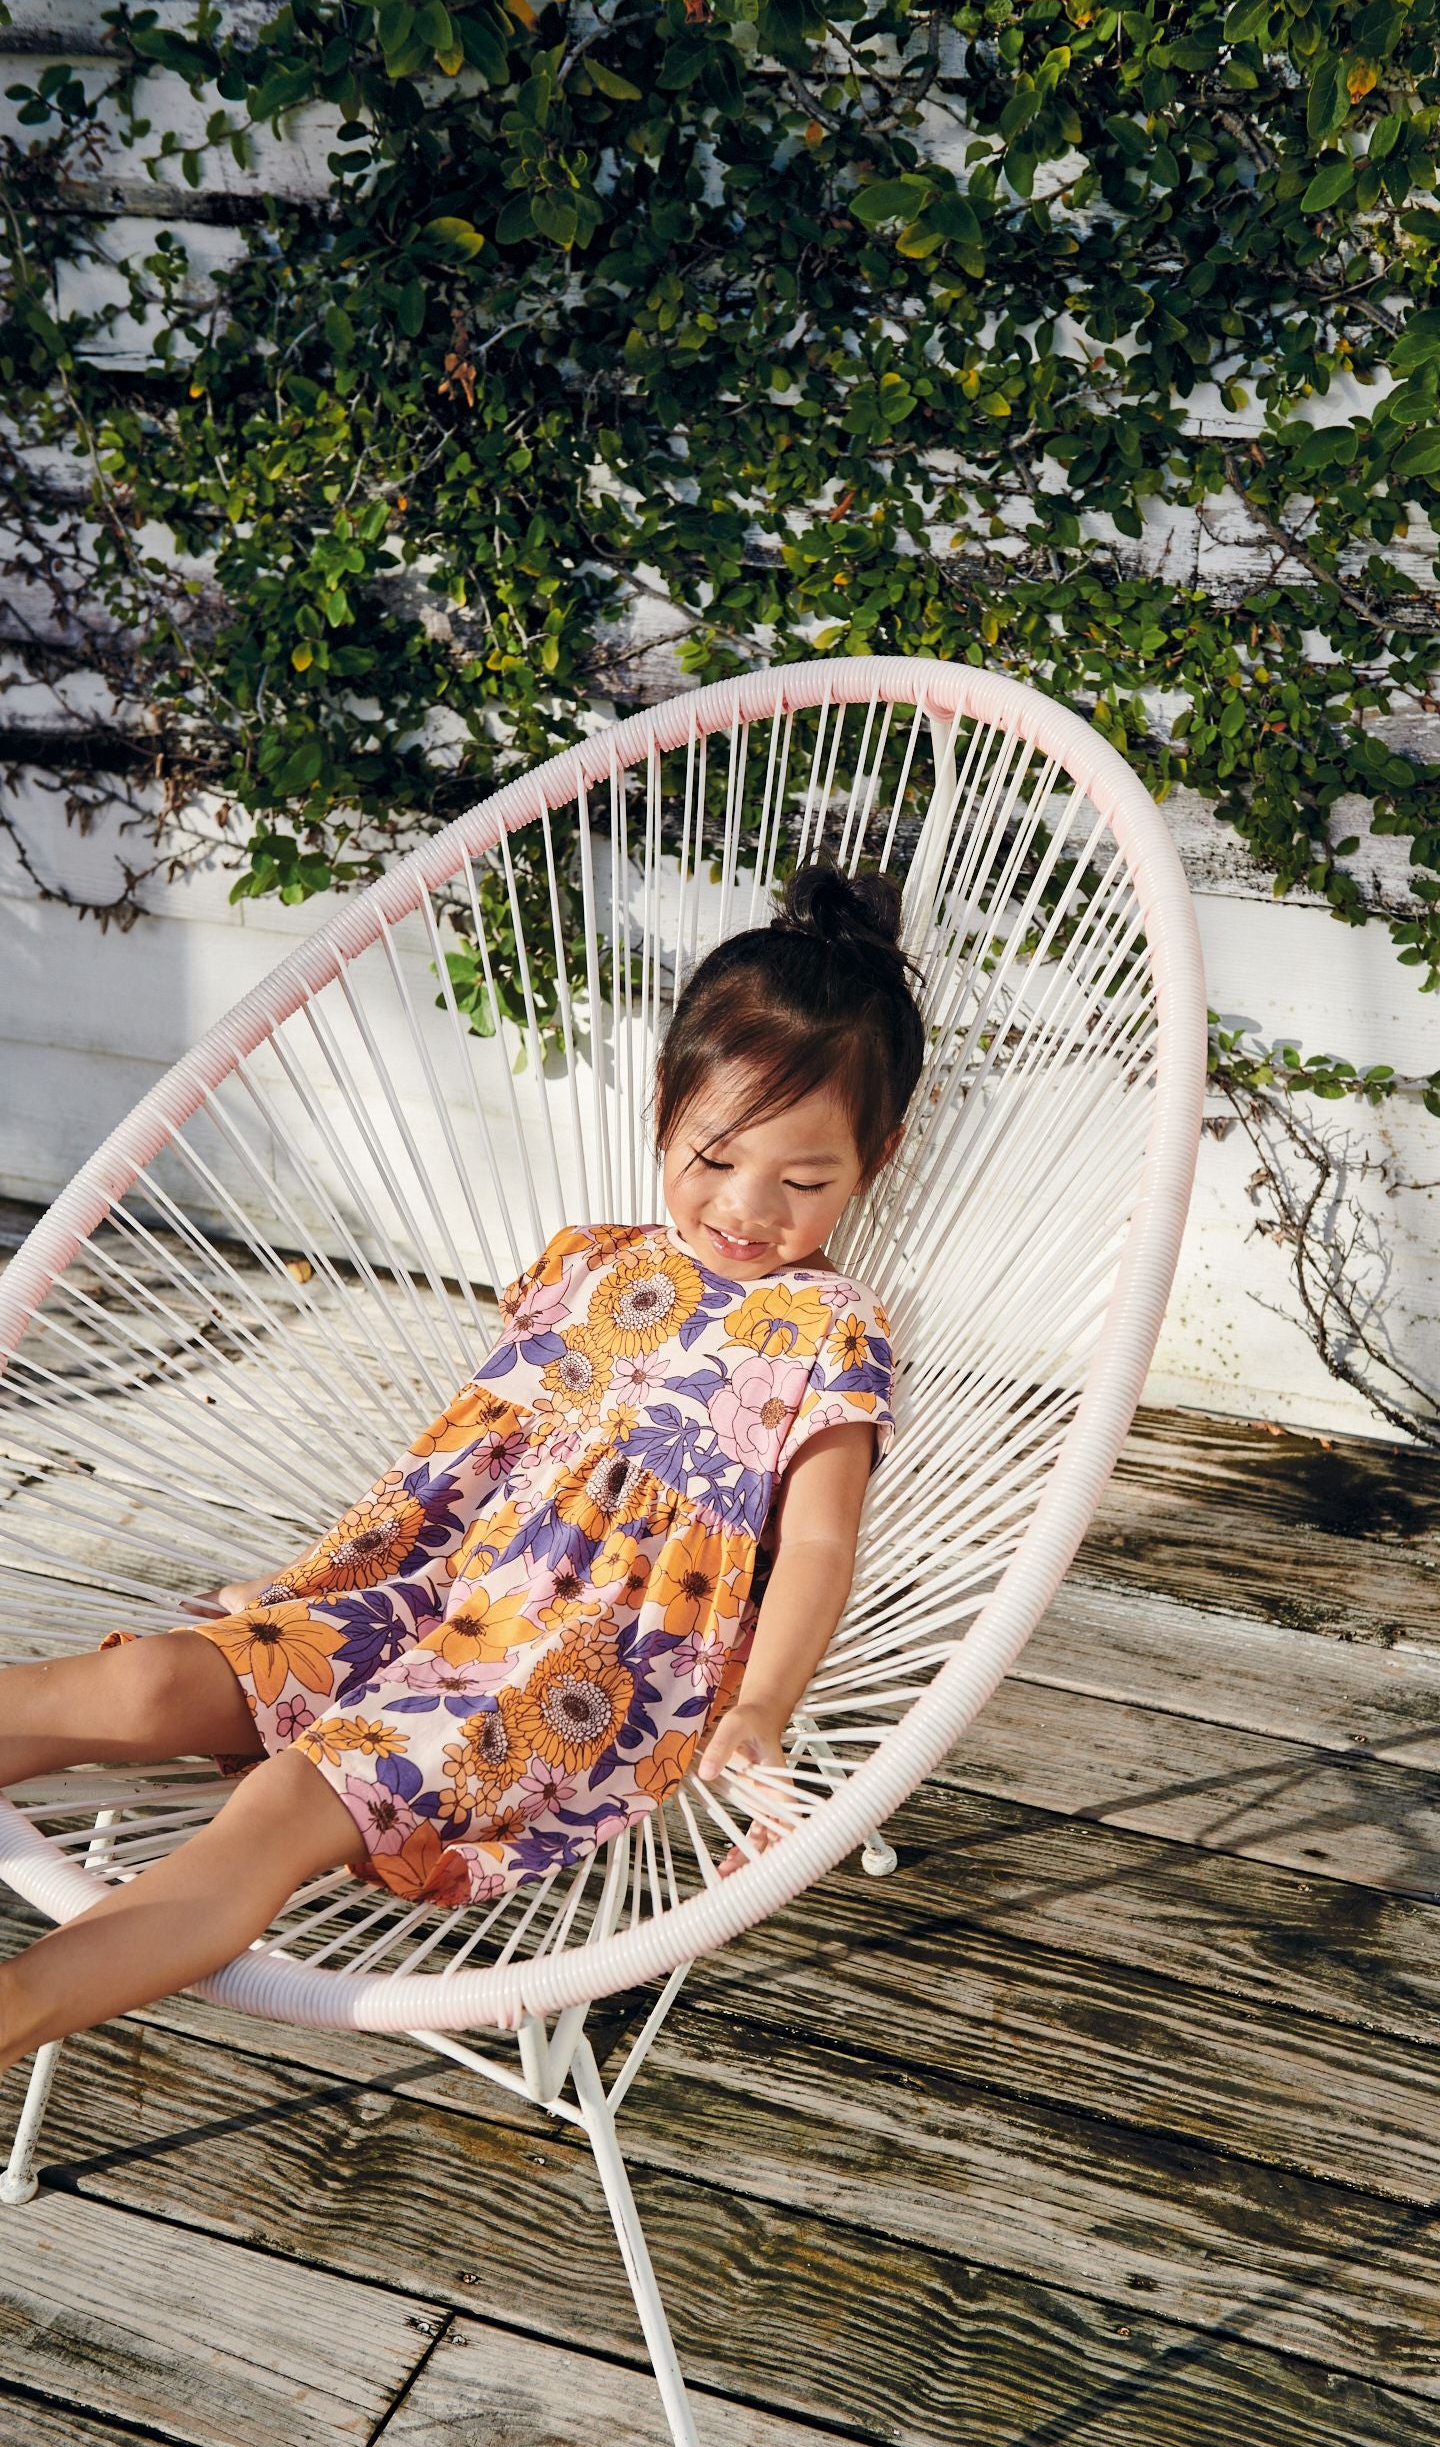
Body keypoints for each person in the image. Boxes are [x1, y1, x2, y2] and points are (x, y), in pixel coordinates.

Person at [0, 862, 921, 2081]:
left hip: (560, 1672)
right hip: (416, 1599)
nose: (747, 1209)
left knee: (278, 1808)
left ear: (877, 1157)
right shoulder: (594, 1260)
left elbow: (816, 1543)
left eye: (804, 1183)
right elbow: (465, 1463)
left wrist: (762, 1706)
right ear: (664, 1106)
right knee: (146, 1687)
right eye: (713, 1158)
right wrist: (306, 1591)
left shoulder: (827, 1331)